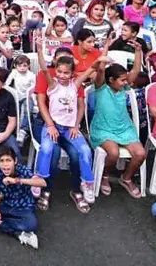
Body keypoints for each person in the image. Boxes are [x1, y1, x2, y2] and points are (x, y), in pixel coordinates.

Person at [33, 40, 98, 211]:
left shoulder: (75, 85)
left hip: (70, 128)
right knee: (48, 151)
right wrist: (39, 49)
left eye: (66, 72)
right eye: (59, 71)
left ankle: (85, 184)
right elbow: (44, 69)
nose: (62, 75)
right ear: (55, 64)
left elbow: (92, 69)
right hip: (51, 125)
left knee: (83, 151)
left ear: (71, 73)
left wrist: (76, 125)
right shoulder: (52, 84)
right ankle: (41, 182)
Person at [90, 56, 146, 199]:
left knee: (140, 154)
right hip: (103, 128)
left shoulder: (124, 88)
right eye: (122, 80)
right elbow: (100, 70)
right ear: (111, 80)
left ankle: (126, 178)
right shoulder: (101, 88)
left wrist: (138, 51)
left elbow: (136, 71)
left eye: (125, 80)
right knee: (113, 153)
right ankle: (105, 175)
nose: (125, 82)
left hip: (124, 128)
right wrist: (104, 54)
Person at [0, 146, 46, 249]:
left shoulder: (22, 170)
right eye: (2, 161)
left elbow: (42, 183)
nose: (5, 164)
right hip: (6, 207)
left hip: (23, 208)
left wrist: (18, 180)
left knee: (31, 223)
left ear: (15, 161)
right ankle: (19, 233)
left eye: (8, 160)